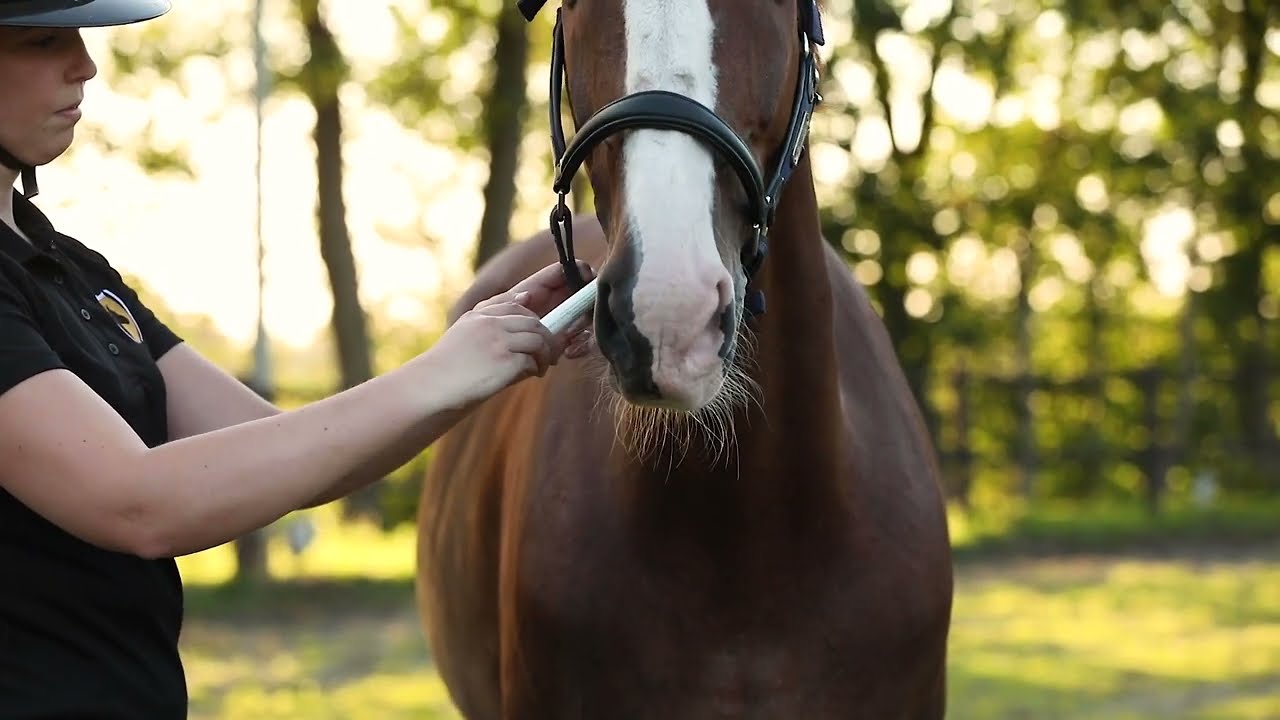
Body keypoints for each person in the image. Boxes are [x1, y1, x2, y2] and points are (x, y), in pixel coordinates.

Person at [0, 0, 593, 717]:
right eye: (42, 39)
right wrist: (442, 372)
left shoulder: (69, 267)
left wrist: (487, 357)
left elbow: (299, 455)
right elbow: (134, 502)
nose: (85, 64)